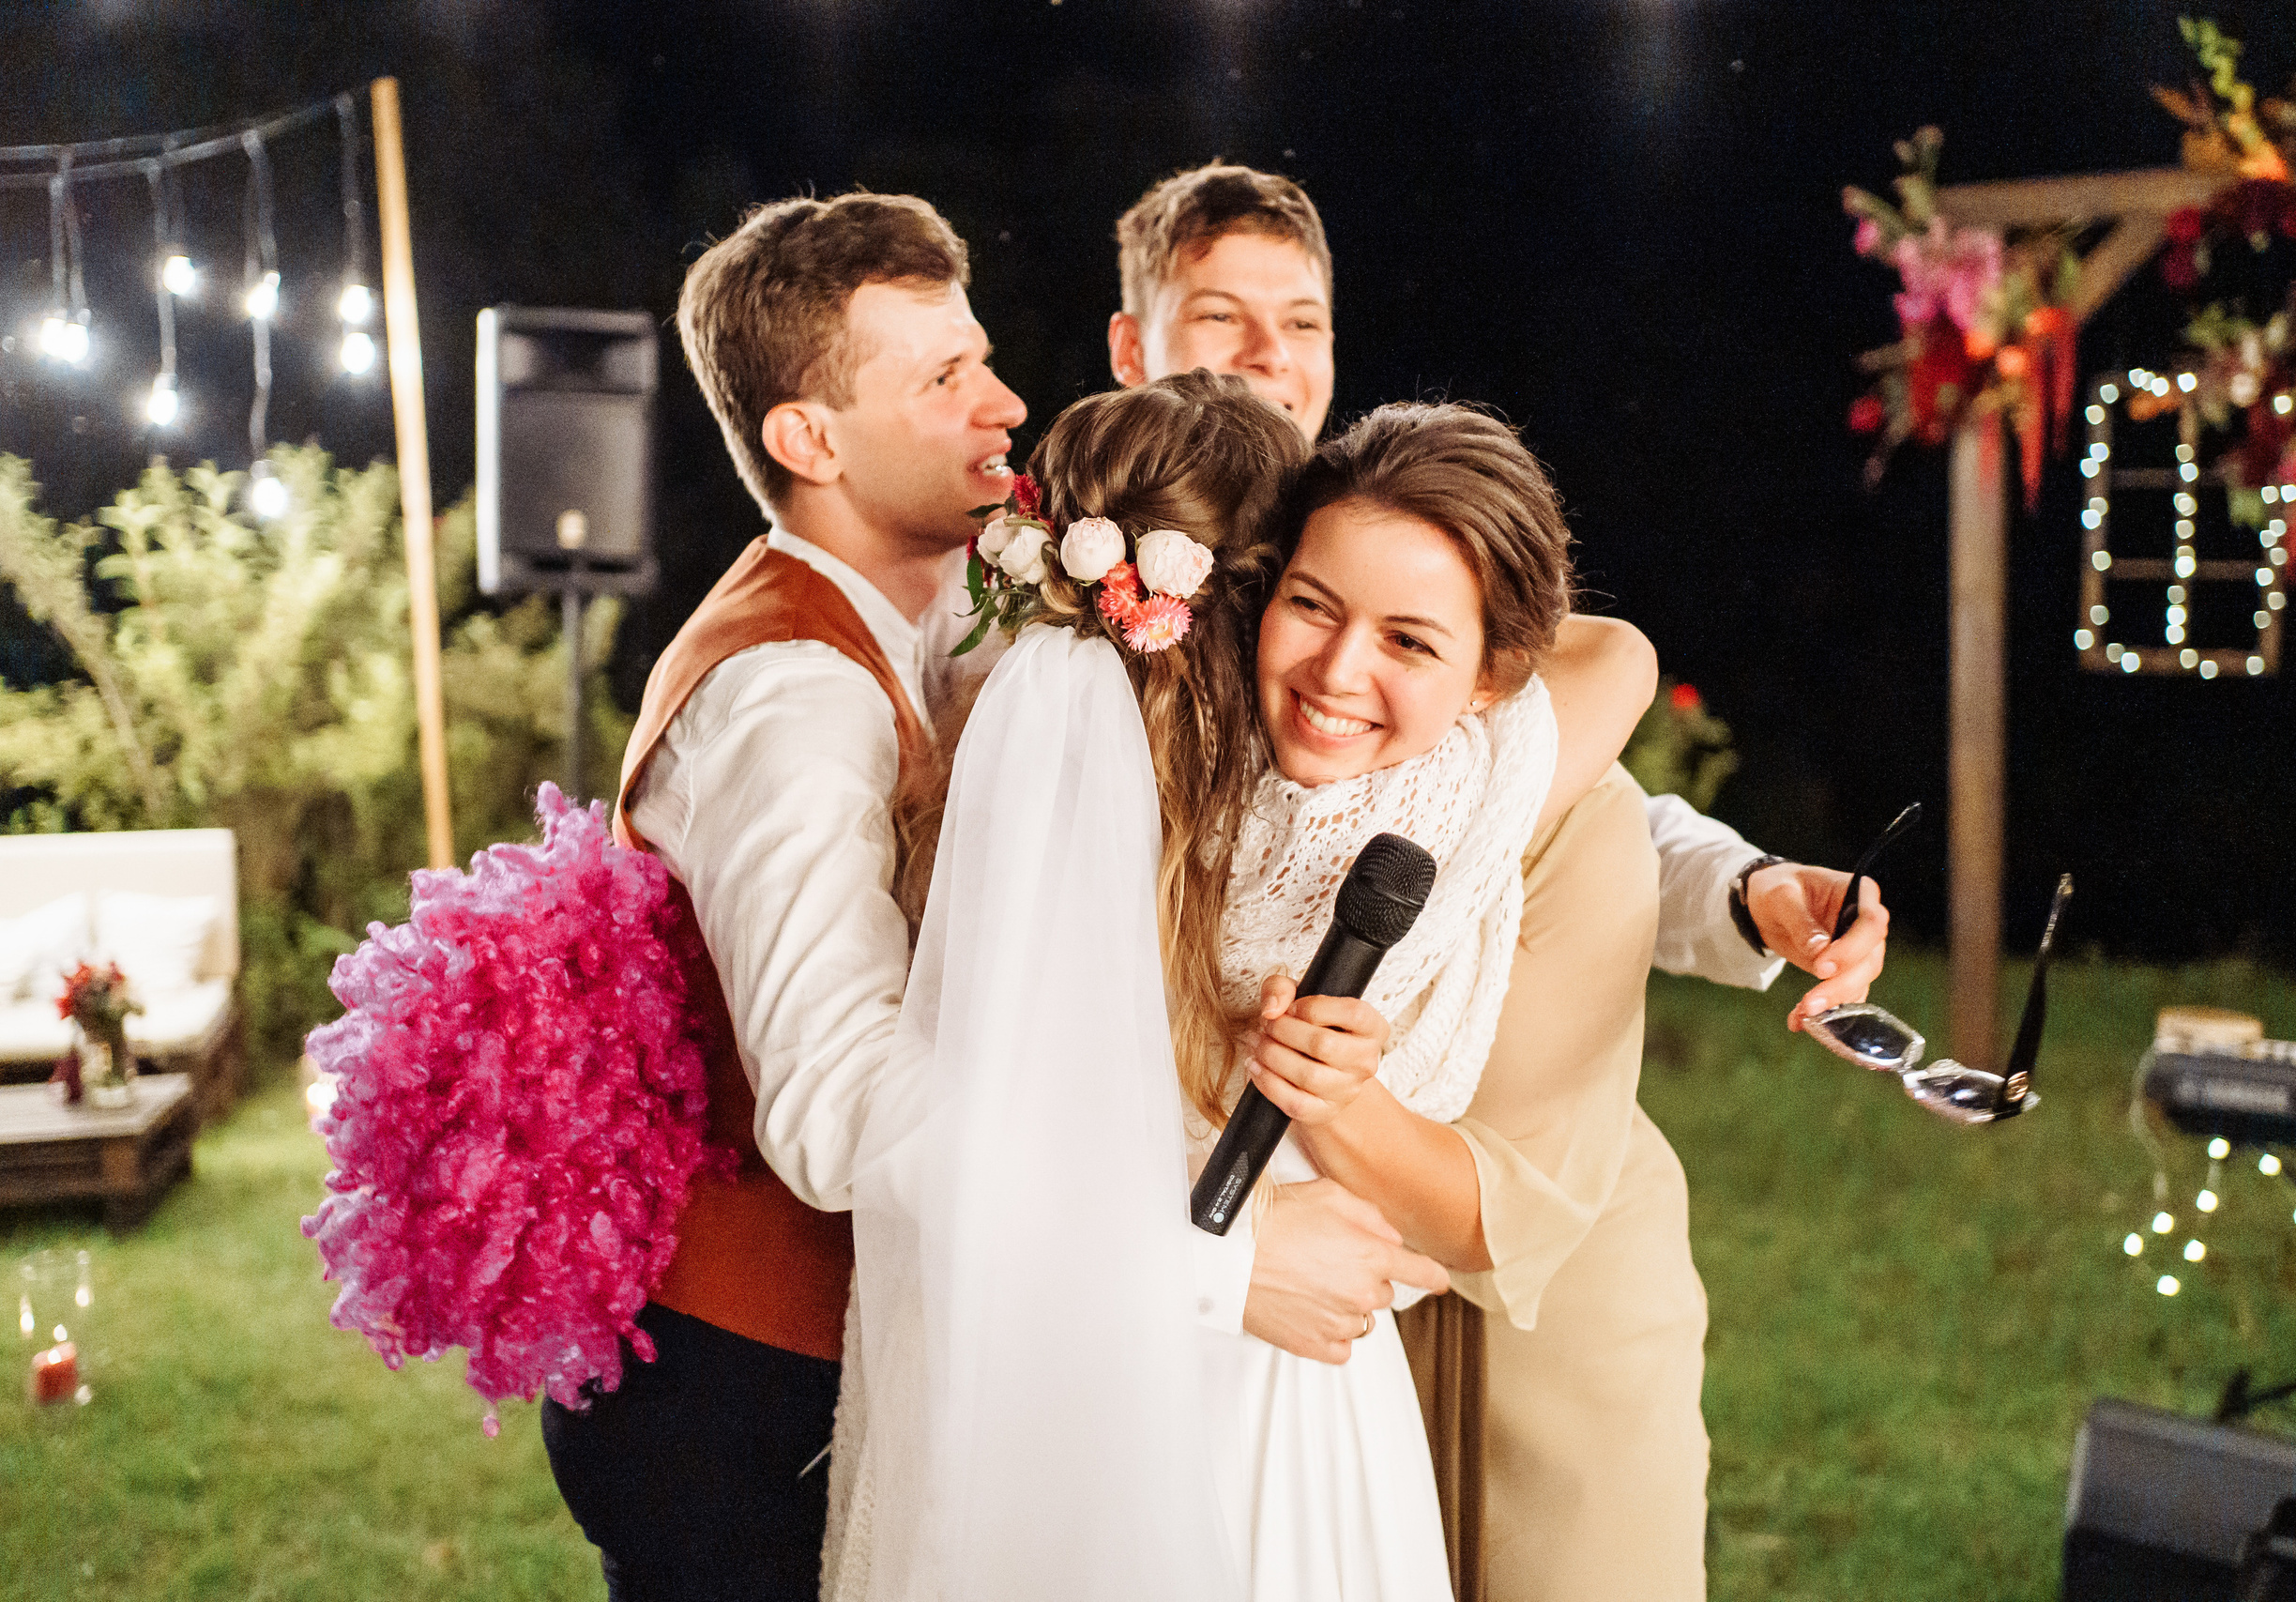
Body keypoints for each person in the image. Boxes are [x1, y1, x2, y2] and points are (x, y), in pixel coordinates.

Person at [1097, 161, 1896, 1599]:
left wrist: (1746, 885)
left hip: (1550, 1225)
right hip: (1302, 1265)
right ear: (1131, 346)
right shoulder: (1112, 609)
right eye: (1224, 320)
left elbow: (1549, 786)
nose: (1271, 359)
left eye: (1305, 324)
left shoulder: (1398, 552)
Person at [837, 372, 1657, 1600]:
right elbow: (1617, 664)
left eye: (1406, 640)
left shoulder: (1038, 776)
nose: (1337, 670)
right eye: (1305, 603)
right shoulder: (1418, 808)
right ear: (1245, 597)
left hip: (1096, 1377)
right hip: (1266, 1377)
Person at [539, 191, 1030, 1602]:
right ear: (807, 440)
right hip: (741, 1394)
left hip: (788, 1368)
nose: (1002, 404)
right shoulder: (794, 694)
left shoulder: (919, 626)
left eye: (981, 358)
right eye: (941, 380)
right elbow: (831, 1116)